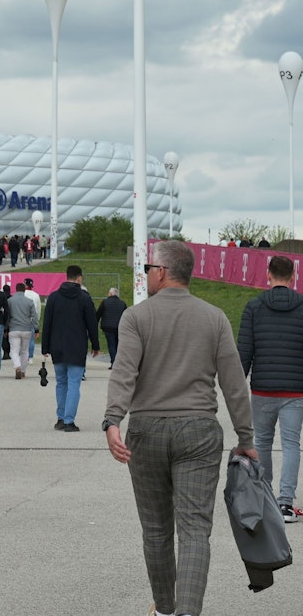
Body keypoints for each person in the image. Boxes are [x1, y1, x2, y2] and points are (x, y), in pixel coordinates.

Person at [104, 240, 256, 616]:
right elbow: (233, 382)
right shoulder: (214, 317)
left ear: (162, 271)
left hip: (147, 430)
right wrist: (245, 437)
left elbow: (124, 372)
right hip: (199, 432)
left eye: (147, 270)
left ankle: (166, 610)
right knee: (194, 531)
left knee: (156, 530)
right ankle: (188, 612)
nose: (146, 276)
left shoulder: (137, 318)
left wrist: (113, 420)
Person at [237, 254, 303, 523]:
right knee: (291, 444)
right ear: (293, 277)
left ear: (267, 275)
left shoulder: (254, 307)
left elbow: (244, 351)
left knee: (262, 442)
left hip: (262, 388)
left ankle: (264, 500)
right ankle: (286, 503)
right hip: (296, 390)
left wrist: (236, 385)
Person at [40, 265, 98, 432]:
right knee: (74, 383)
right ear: (79, 278)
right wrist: (95, 345)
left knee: (61, 383)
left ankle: (60, 418)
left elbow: (47, 324)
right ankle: (69, 421)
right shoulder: (84, 298)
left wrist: (45, 347)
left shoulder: (53, 297)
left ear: (66, 277)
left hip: (57, 347)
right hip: (77, 347)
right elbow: (92, 324)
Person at [5, 283, 39, 379]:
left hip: (14, 329)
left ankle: (17, 367)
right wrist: (36, 329)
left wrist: (6, 328)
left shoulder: (10, 301)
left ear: (15, 290)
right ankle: (23, 371)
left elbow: (7, 316)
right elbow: (34, 316)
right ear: (24, 290)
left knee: (14, 351)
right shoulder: (29, 301)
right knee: (24, 351)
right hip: (26, 329)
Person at [96, 287, 128, 369]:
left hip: (108, 327)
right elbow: (126, 315)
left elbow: (98, 314)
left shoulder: (105, 302)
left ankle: (114, 362)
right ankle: (118, 362)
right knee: (118, 345)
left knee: (111, 345)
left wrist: (94, 323)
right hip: (119, 327)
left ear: (110, 294)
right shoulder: (122, 303)